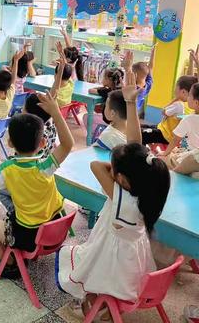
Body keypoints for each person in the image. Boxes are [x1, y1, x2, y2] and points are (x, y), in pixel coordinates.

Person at [56, 68, 170, 320]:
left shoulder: (120, 196)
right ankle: (107, 304)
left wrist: (115, 170)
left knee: (81, 267)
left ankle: (96, 306)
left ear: (121, 178)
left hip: (110, 259)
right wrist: (131, 102)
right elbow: (135, 145)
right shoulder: (150, 190)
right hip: (133, 260)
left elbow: (96, 166)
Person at [0, 90, 74, 278]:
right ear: (43, 143)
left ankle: (10, 263)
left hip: (28, 237)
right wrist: (56, 112)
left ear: (9, 142)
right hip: (56, 230)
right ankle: (12, 256)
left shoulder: (7, 168)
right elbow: (68, 144)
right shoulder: (46, 165)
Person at [141, 75, 197, 145]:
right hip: (163, 129)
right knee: (142, 127)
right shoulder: (187, 105)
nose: (174, 90)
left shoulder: (179, 104)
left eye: (176, 87)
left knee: (141, 134)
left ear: (183, 92)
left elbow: (164, 111)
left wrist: (175, 99)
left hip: (165, 135)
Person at [158, 82, 199, 170]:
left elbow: (176, 139)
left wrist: (165, 153)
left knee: (160, 158)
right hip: (195, 155)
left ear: (196, 103)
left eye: (190, 96)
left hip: (188, 156)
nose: (188, 98)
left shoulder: (189, 119)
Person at [132, 45, 156, 113]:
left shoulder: (133, 87)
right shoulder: (149, 84)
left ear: (135, 75)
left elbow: (150, 67)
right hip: (136, 110)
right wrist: (153, 52)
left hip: (128, 110)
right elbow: (150, 67)